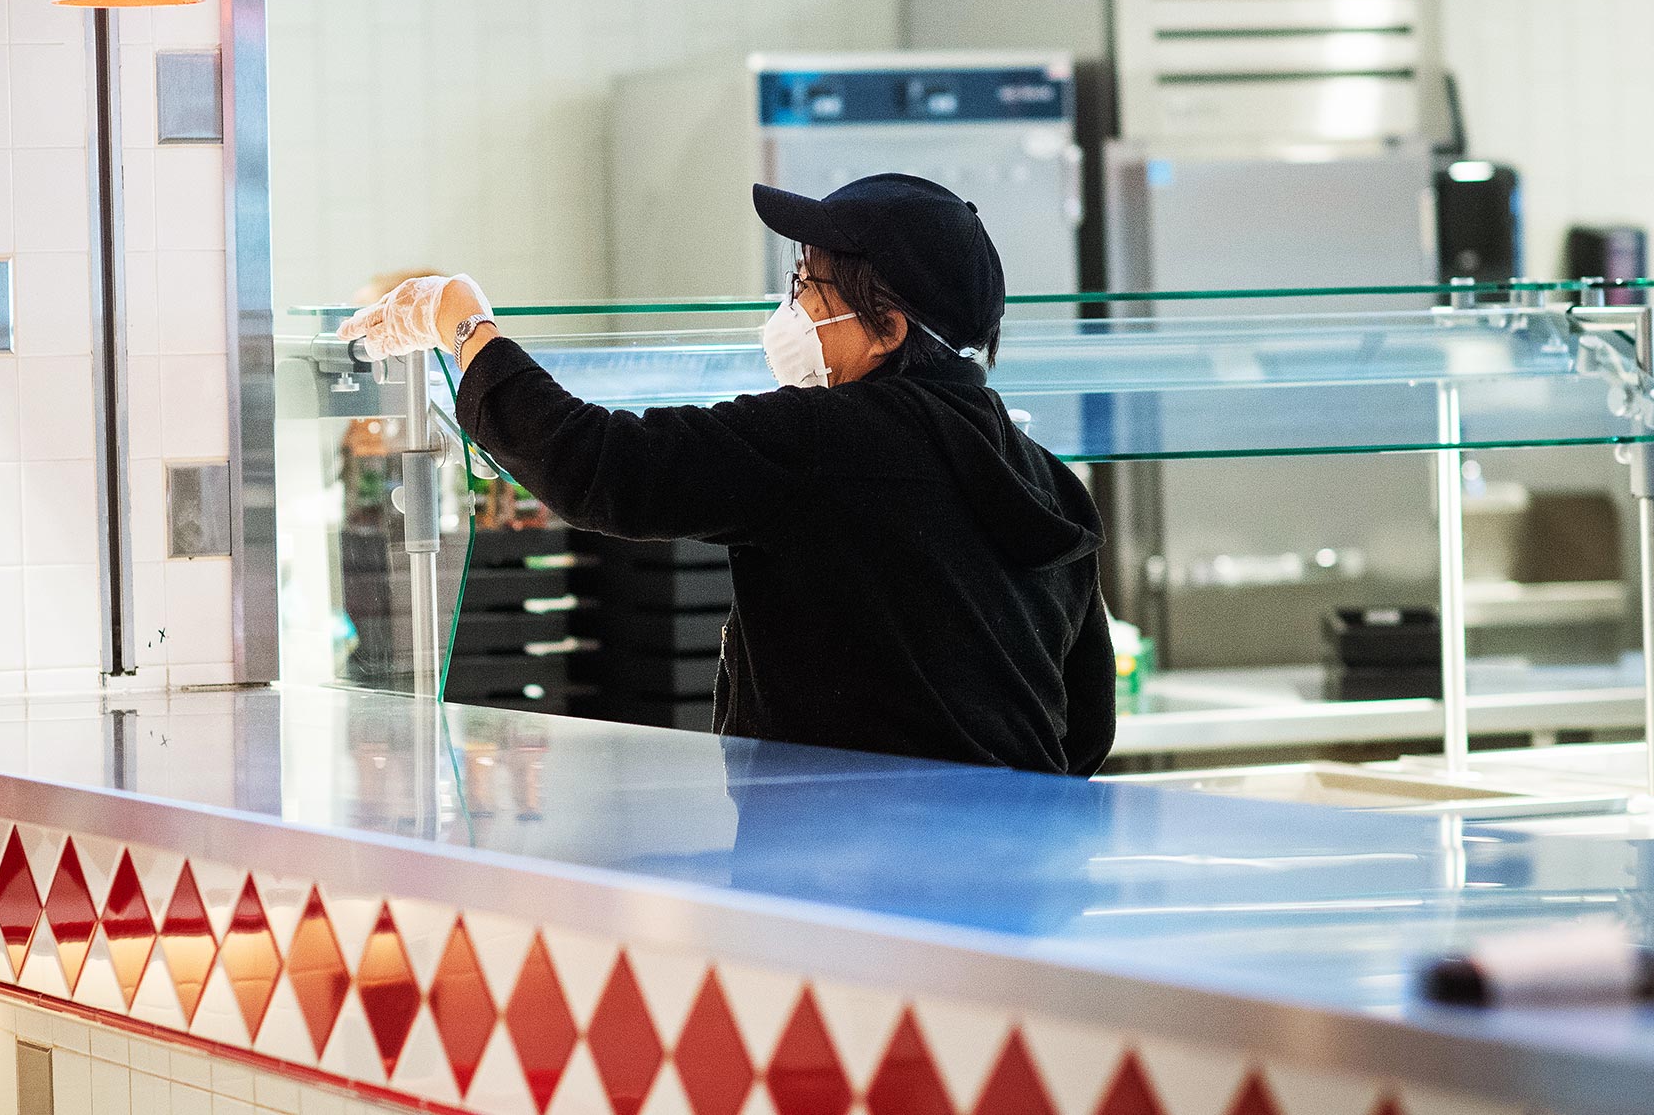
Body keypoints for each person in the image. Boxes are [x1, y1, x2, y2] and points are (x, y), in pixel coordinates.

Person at [339, 174, 1115, 775]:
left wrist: (463, 320)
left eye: (810, 287)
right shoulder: (1048, 481)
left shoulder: (827, 439)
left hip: (855, 893)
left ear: (889, 329)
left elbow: (596, 465)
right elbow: (1085, 731)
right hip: (1013, 877)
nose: (793, 309)